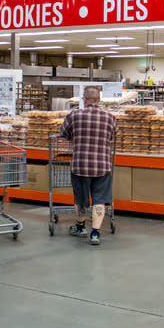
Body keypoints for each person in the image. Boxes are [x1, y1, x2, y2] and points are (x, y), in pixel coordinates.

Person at [60, 86, 117, 246]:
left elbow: (64, 133)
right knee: (100, 199)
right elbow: (113, 135)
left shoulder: (74, 115)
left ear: (84, 99)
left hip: (80, 165)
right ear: (99, 100)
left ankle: (80, 227)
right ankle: (95, 233)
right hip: (102, 165)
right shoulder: (110, 117)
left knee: (81, 199)